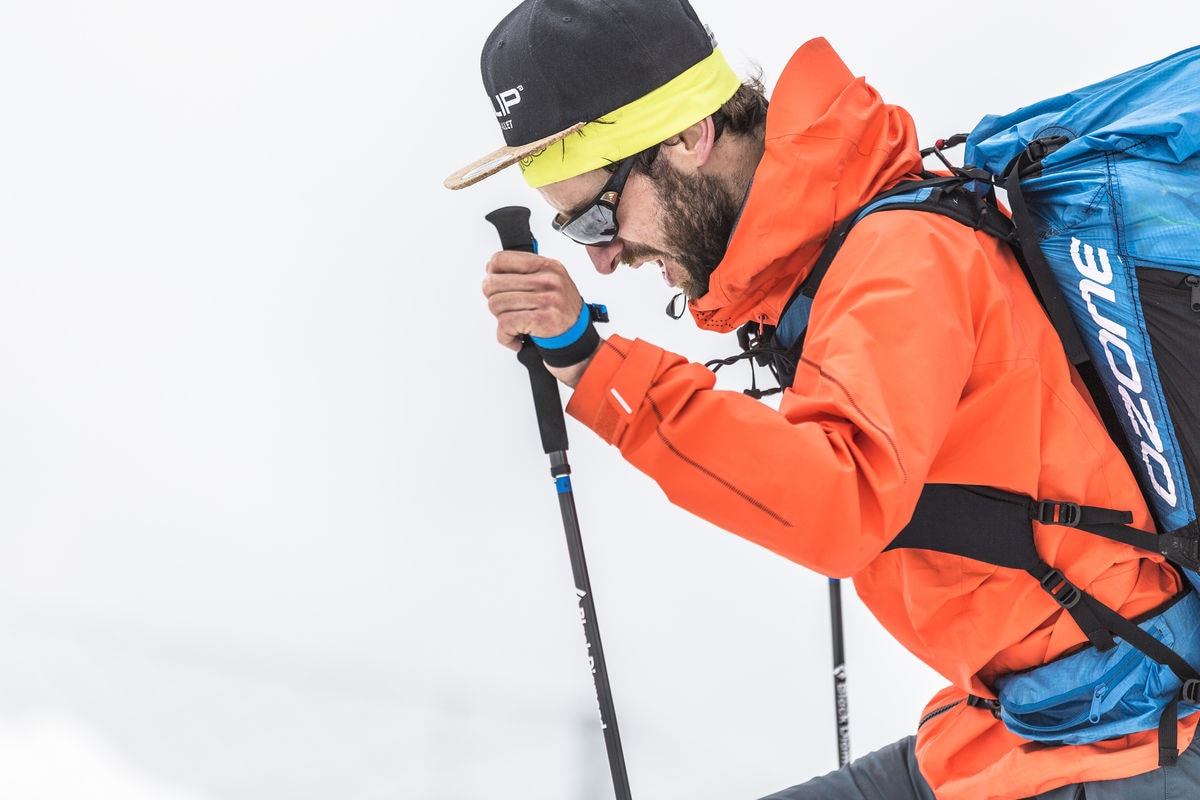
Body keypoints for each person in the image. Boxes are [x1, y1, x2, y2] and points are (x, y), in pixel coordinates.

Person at [443, 1, 1200, 798]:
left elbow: (841, 498)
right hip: (1019, 723)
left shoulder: (903, 256)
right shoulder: (820, 272)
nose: (601, 259)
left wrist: (598, 369)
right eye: (575, 230)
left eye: (599, 214)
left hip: (1121, 741)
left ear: (688, 137)